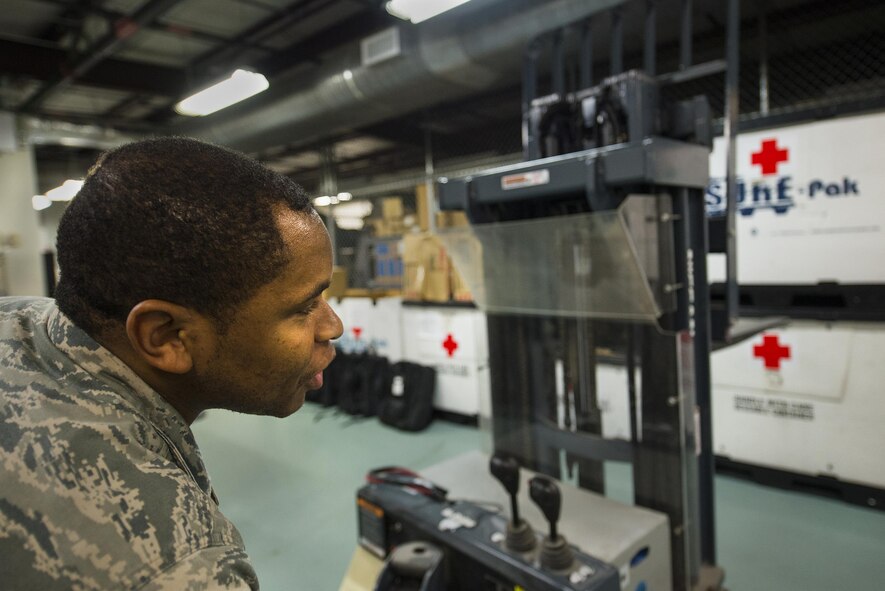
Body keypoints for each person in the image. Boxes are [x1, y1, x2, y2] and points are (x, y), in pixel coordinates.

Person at [0, 137, 344, 590]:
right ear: (165, 336)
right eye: (303, 307)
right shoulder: (176, 568)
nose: (333, 326)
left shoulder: (14, 316)